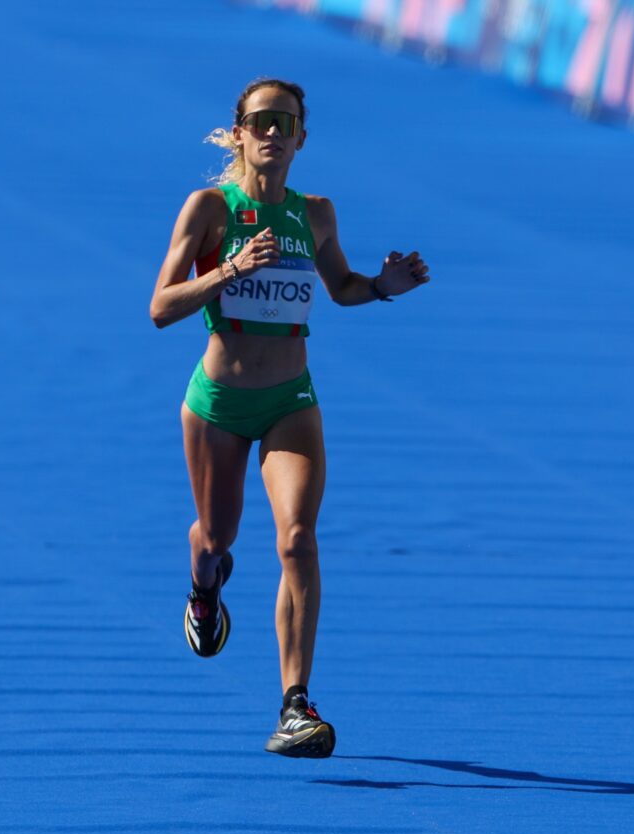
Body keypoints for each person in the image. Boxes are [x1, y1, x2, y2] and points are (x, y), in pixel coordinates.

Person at [148, 78, 431, 758]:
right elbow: (160, 306)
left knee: (298, 540)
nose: (274, 132)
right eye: (261, 121)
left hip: (290, 401)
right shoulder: (212, 209)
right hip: (218, 403)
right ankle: (203, 588)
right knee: (216, 537)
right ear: (239, 132)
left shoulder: (318, 214)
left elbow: (342, 288)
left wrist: (382, 288)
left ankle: (295, 706)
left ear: (302, 138)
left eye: (287, 123)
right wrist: (229, 270)